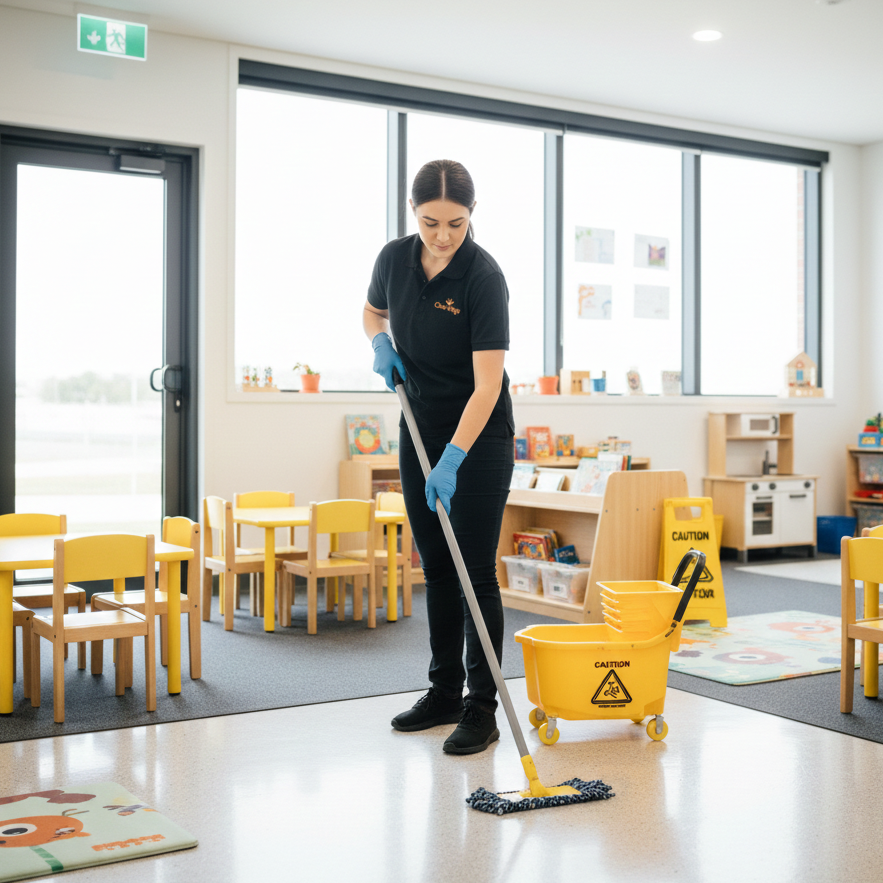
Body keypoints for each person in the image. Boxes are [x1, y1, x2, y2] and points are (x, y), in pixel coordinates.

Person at [363, 159, 515, 755]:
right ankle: (444, 692)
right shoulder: (393, 258)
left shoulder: (483, 277)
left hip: (475, 440)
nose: (443, 235)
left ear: (471, 215)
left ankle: (482, 708)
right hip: (418, 427)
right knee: (436, 569)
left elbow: (487, 387)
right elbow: (373, 309)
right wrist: (379, 340)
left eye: (455, 222)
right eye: (430, 222)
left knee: (474, 573)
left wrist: (452, 459)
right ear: (413, 213)